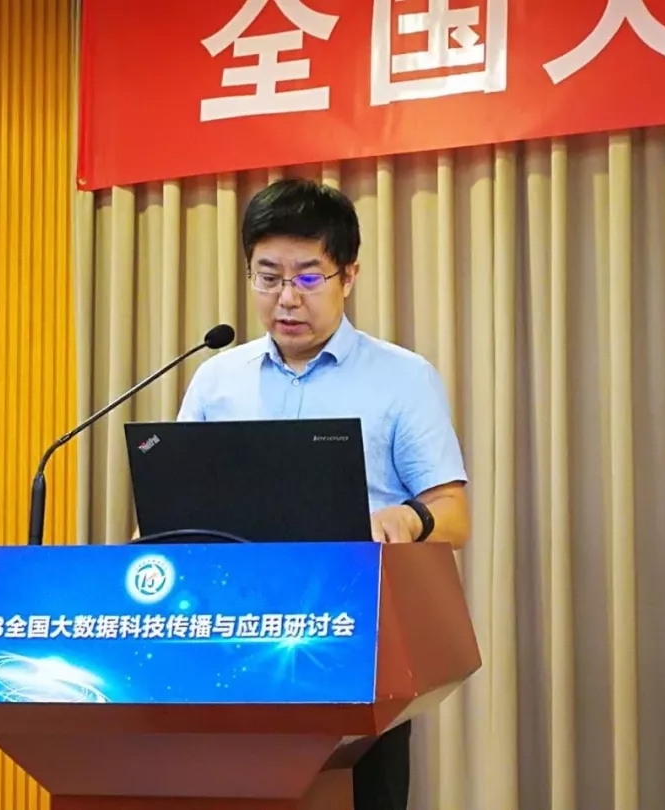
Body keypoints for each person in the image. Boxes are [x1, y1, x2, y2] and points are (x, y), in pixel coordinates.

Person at [175, 177, 471, 810]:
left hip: (357, 649)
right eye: (268, 277)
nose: (287, 297)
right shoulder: (215, 380)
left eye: (308, 277)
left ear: (349, 275)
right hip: (229, 649)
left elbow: (453, 513)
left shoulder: (402, 378)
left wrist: (406, 519)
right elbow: (178, 508)